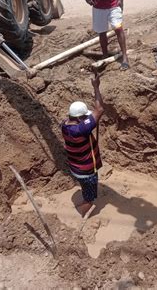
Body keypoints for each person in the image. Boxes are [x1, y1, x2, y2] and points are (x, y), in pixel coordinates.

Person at [61, 75, 104, 216]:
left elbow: (91, 117)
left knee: (85, 188)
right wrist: (96, 87)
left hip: (75, 168)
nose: (87, 118)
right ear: (79, 118)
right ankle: (84, 214)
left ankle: (84, 200)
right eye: (85, 116)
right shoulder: (82, 129)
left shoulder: (65, 125)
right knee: (89, 197)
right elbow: (100, 110)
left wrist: (88, 119)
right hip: (87, 171)